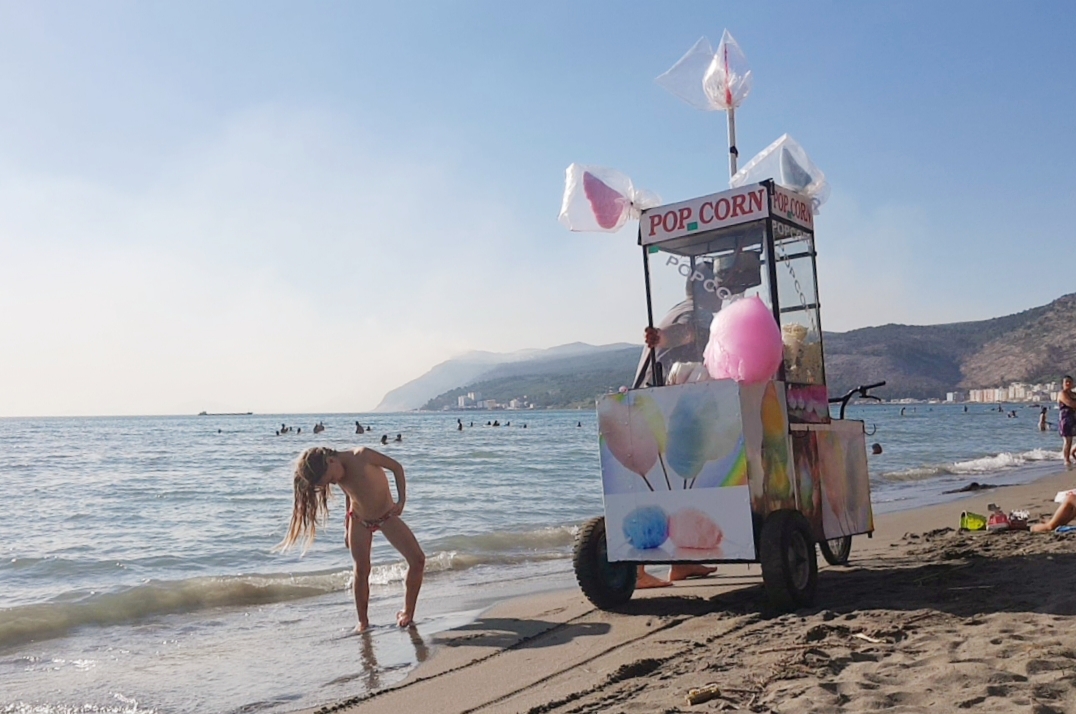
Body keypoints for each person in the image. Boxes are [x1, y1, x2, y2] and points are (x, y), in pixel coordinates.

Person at [278, 446, 425, 630]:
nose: (333, 483)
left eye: (330, 479)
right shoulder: (337, 470)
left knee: (417, 560)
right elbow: (351, 494)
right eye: (329, 482)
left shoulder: (363, 456)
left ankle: (407, 613)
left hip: (387, 516)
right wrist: (347, 527)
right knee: (361, 570)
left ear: (331, 461)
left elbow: (396, 467)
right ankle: (363, 622)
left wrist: (401, 500)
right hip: (358, 519)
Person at [1059, 375, 1076, 468]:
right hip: (1066, 419)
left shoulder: (1074, 394)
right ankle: (1066, 459)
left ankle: (1073, 452)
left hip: (1075, 418)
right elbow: (1071, 403)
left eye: (1070, 382)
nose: (1068, 383)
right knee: (1068, 440)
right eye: (1066, 382)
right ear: (1063, 383)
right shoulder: (1062, 394)